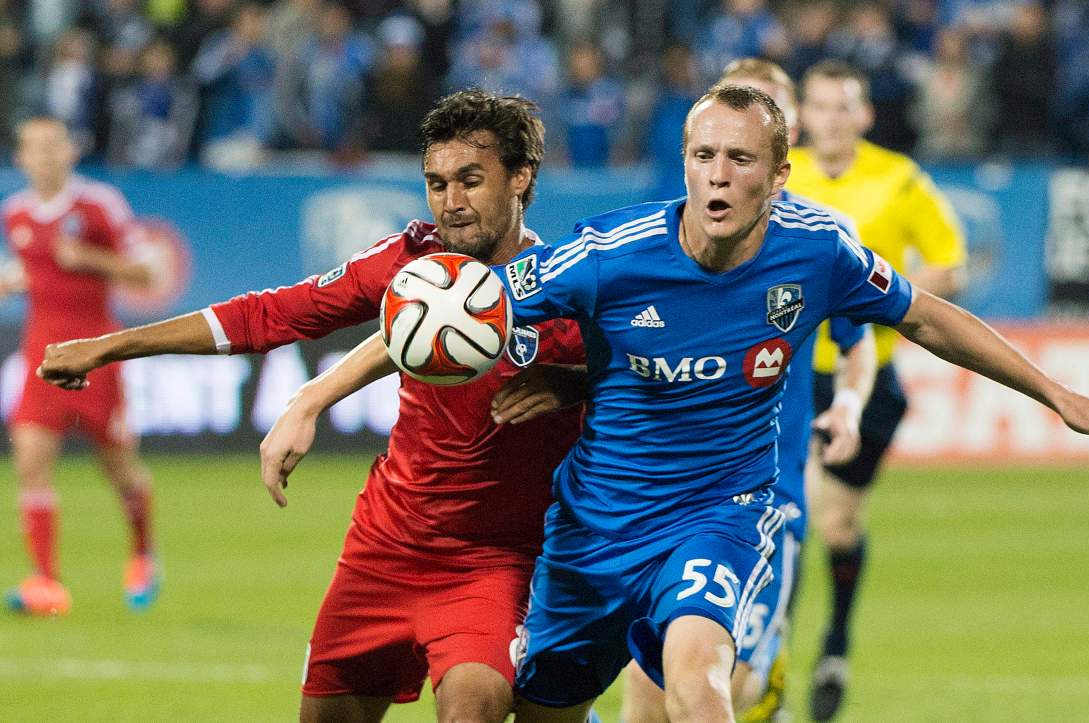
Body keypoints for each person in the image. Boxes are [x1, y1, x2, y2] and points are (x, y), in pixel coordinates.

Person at [491, 84, 1089, 722]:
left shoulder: (819, 250)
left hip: (719, 516)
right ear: (685, 163)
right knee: (548, 710)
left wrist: (1057, 394)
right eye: (703, 156)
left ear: (780, 175)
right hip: (597, 526)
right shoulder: (608, 252)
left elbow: (926, 317)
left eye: (740, 158)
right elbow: (464, 311)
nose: (718, 175)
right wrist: (397, 349)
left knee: (699, 689)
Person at [36, 90, 589, 723]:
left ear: (521, 178)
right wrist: (112, 346)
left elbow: (666, 374)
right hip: (385, 548)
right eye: (436, 184)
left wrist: (575, 385)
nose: (451, 203)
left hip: (493, 563)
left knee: (474, 706)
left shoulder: (573, 286)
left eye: (471, 180)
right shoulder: (410, 265)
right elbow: (273, 313)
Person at [619, 57, 879, 723]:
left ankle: (768, 681)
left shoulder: (821, 243)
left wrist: (848, 404)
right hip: (659, 506)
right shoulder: (667, 234)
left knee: (717, 686)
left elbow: (860, 344)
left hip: (763, 504)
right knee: (649, 703)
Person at [787, 58, 969, 721]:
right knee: (792, 516)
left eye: (845, 106)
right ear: (801, 114)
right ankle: (771, 656)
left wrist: (880, 293)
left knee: (836, 521)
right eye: (820, 105)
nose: (832, 118)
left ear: (864, 115)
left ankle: (834, 642)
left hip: (868, 377)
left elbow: (949, 263)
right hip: (789, 372)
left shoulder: (899, 180)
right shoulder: (782, 177)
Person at [0, 117, 159, 616]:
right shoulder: (15, 213)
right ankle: (46, 582)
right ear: (20, 157)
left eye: (53, 146)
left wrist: (88, 258)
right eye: (33, 148)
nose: (44, 156)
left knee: (116, 467)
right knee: (29, 459)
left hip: (95, 354)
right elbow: (33, 267)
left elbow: (145, 270)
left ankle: (142, 553)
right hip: (41, 356)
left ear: (70, 151)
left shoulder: (99, 204)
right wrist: (18, 279)